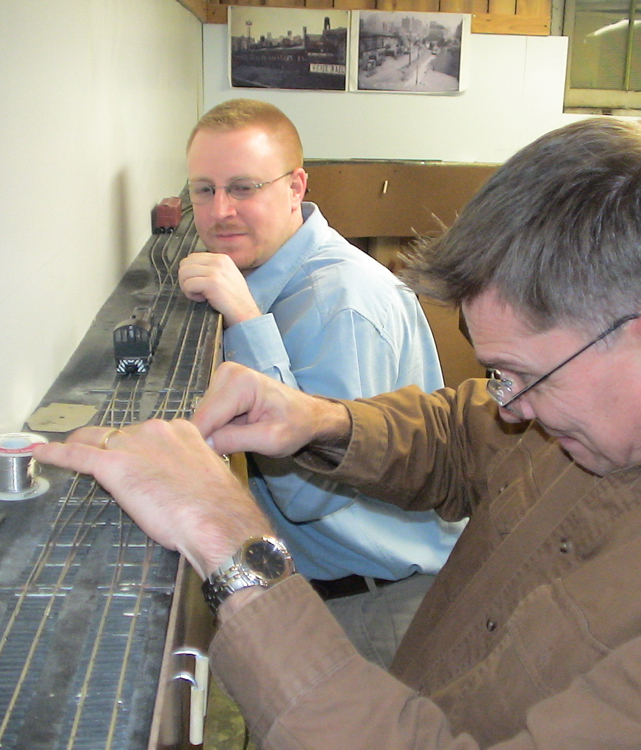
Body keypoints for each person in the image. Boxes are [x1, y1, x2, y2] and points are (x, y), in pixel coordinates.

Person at [35, 117, 641, 749]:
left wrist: (229, 539)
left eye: (518, 376)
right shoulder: (627, 406)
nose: (506, 404)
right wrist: (315, 417)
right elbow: (473, 437)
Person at [175, 98, 464, 668]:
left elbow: (309, 493)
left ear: (294, 187)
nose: (220, 210)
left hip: (376, 606)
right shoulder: (267, 275)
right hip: (336, 589)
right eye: (203, 190)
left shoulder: (340, 304)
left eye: (244, 187)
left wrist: (248, 323)